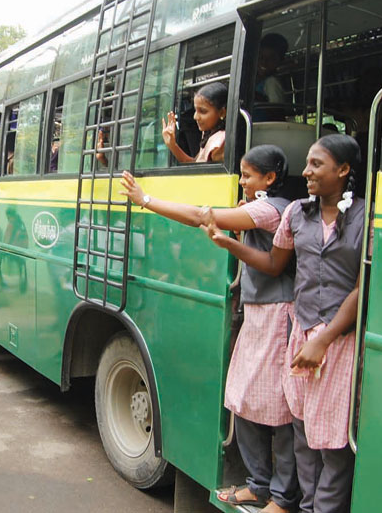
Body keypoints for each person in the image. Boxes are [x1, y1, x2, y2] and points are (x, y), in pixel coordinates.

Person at [121, 146, 300, 512]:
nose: (242, 181)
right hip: (259, 313)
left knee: (278, 409)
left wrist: (146, 199)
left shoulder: (271, 209)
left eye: (248, 175)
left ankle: (281, 497)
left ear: (269, 179)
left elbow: (199, 216)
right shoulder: (264, 205)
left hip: (277, 316)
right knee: (242, 398)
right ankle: (259, 485)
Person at [205, 134, 363, 513]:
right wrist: (231, 246)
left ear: (343, 171)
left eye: (316, 164)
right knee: (304, 433)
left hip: (338, 340)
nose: (306, 172)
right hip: (301, 331)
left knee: (333, 441)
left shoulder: (364, 217)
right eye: (307, 163)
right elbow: (275, 264)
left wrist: (323, 341)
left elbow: (363, 287)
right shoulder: (296, 213)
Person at [162, 82, 228, 163]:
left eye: (203, 111)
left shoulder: (219, 142)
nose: (195, 117)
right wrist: (172, 145)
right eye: (195, 110)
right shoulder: (209, 134)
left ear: (222, 112)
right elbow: (195, 164)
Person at [256, 33, 289, 104]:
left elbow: (276, 111)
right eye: (261, 57)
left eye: (271, 59)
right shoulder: (257, 83)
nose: (264, 62)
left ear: (280, 61)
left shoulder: (271, 82)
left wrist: (256, 98)